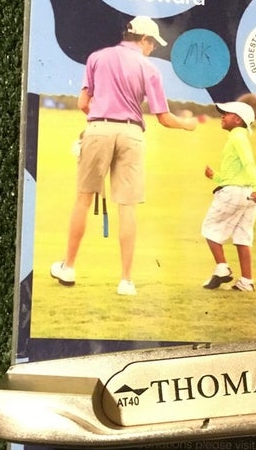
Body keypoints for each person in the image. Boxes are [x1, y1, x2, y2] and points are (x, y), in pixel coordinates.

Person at [50, 16, 197, 295]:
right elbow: (164, 118)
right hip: (131, 134)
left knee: (83, 199)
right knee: (127, 207)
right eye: (153, 43)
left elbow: (83, 103)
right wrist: (187, 125)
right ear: (143, 39)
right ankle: (126, 281)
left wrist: (99, 120)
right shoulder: (149, 69)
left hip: (98, 128)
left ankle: (68, 267)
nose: (153, 48)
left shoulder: (97, 57)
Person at [201, 101, 256, 292]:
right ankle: (246, 281)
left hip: (235, 193)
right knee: (242, 236)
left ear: (237, 119)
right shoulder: (239, 137)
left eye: (226, 113)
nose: (222, 116)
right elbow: (234, 174)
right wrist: (215, 177)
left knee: (209, 229)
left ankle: (222, 268)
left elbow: (249, 163)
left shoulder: (237, 138)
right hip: (247, 194)